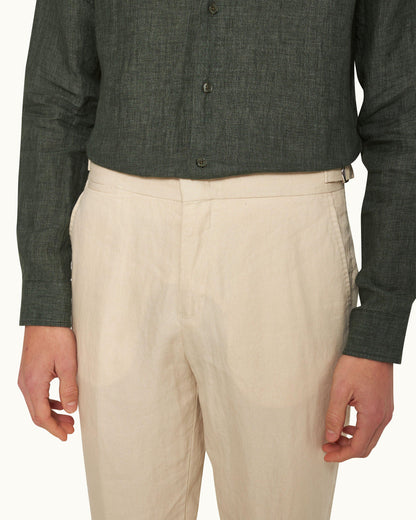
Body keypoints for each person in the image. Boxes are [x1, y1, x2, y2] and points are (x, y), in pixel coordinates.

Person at [16, 1, 415, 519]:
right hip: (121, 236)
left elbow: (402, 115)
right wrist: (45, 304)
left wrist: (378, 334)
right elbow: (56, 98)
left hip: (286, 243)